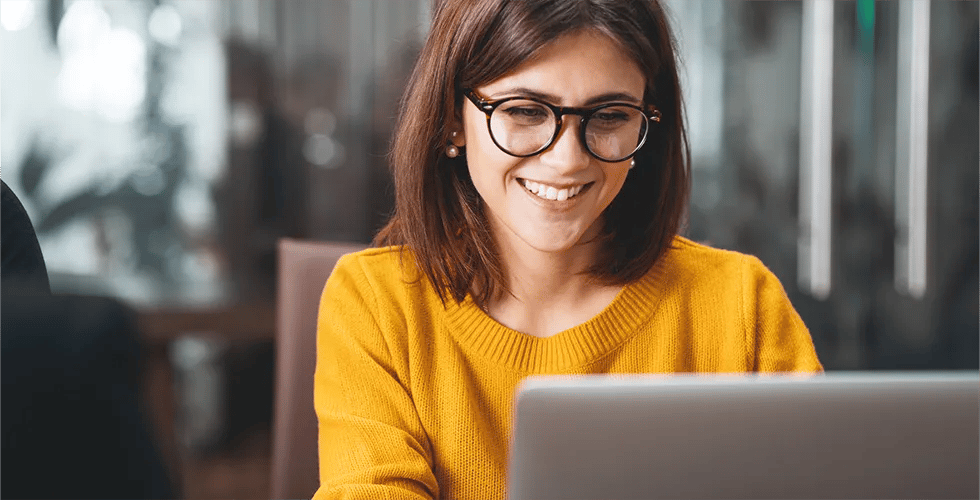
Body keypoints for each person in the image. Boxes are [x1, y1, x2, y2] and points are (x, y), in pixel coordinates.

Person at [313, 0, 822, 498]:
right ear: (451, 119)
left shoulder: (741, 305)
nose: (566, 161)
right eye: (525, 111)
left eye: (609, 116)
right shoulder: (377, 305)